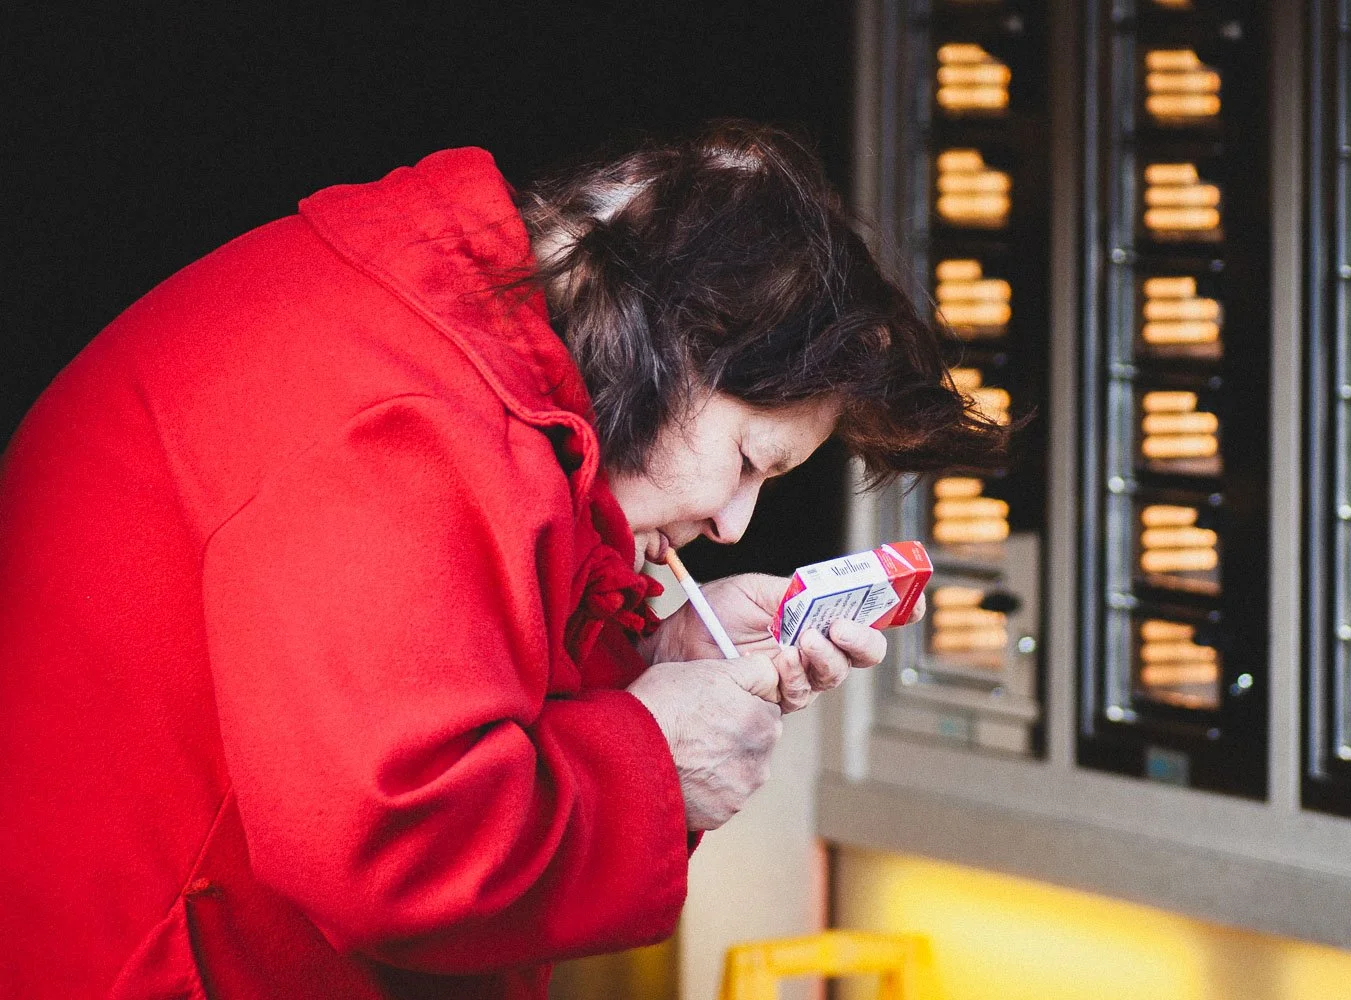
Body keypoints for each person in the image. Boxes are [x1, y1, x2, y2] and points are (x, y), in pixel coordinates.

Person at [0, 123, 1007, 998]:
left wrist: (655, 663)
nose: (735, 524)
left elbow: (418, 680)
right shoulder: (407, 418)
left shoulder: (433, 330)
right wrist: (656, 762)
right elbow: (392, 848)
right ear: (675, 338)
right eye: (747, 459)